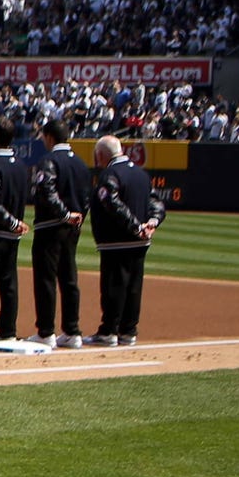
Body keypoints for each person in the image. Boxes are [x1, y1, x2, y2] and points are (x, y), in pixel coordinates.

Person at [88, 137, 163, 346]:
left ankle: (109, 331)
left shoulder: (110, 174)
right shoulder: (141, 173)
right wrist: (152, 223)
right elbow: (156, 202)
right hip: (139, 242)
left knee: (113, 286)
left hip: (116, 240)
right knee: (133, 287)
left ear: (101, 155)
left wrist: (135, 226)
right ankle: (129, 330)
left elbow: (110, 201)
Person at [30, 118, 91, 348]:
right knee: (69, 277)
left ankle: (46, 331)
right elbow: (86, 196)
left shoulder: (48, 161)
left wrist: (64, 214)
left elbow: (46, 190)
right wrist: (77, 216)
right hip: (73, 227)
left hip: (51, 226)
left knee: (46, 278)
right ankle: (72, 330)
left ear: (49, 137)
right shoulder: (81, 163)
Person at [0, 121, 32, 342]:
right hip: (13, 234)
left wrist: (10, 222)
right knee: (9, 282)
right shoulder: (22, 165)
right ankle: (8, 330)